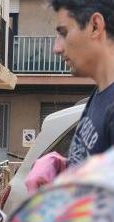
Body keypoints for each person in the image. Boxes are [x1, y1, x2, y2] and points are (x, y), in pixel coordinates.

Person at [52, 0, 114, 167]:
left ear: (95, 26)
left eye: (63, 33)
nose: (56, 48)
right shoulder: (101, 93)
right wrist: (63, 167)